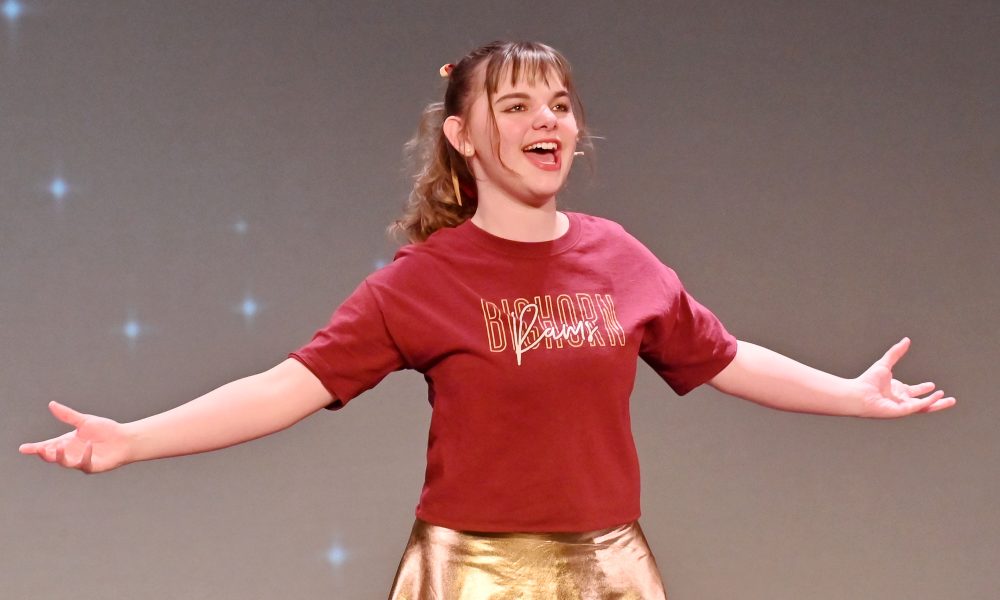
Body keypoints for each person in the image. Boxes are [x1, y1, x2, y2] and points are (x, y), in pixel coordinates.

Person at [19, 41, 955, 599]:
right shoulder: (422, 282)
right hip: (468, 575)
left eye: (560, 105)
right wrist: (133, 440)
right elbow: (285, 388)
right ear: (463, 136)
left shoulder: (620, 257)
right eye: (517, 105)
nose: (548, 120)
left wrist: (851, 395)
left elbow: (724, 357)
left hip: (609, 571)